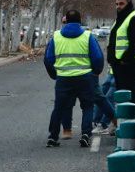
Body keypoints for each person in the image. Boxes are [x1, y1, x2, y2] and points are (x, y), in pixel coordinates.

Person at [44, 9, 108, 148]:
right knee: (87, 106)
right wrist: (96, 71)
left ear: (65, 20)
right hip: (85, 78)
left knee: (59, 108)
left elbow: (48, 59)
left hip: (63, 79)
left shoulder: (56, 37)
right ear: (80, 21)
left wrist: (54, 74)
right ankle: (85, 134)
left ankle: (52, 137)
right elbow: (97, 57)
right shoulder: (87, 36)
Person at [108, 0, 135, 102]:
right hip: (120, 64)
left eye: (121, 4)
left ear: (128, 3)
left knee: (128, 93)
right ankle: (122, 117)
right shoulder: (121, 18)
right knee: (121, 94)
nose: (118, 6)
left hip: (130, 63)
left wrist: (124, 60)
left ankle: (129, 118)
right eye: (116, 4)